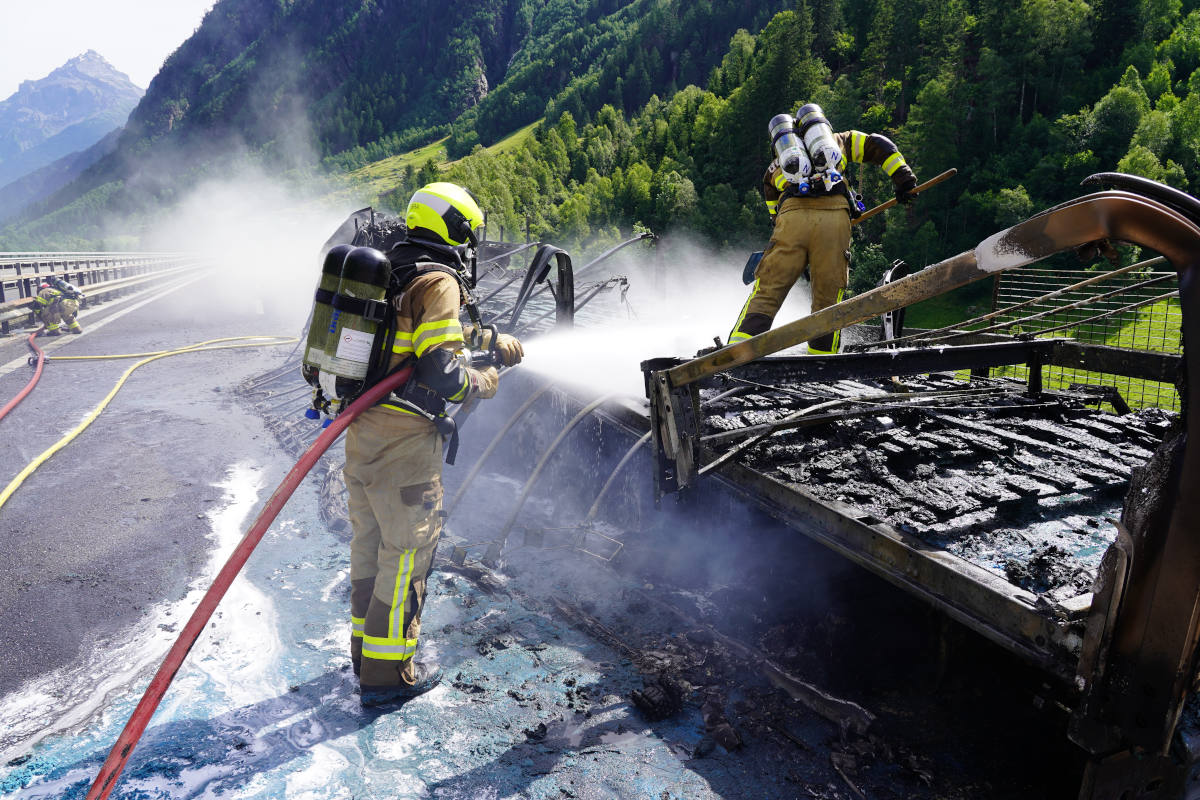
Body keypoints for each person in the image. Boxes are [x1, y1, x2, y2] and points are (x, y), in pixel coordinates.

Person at [343, 182, 524, 705]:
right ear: (457, 228)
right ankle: (386, 675)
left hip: (364, 432)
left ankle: (364, 653)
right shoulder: (439, 280)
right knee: (406, 555)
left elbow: (416, 337)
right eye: (470, 232)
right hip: (404, 443)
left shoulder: (394, 270)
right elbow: (440, 371)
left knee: (370, 548)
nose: (471, 244)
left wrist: (490, 342)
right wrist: (484, 382)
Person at [728, 103, 918, 354]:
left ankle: (737, 352)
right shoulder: (841, 141)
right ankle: (821, 360)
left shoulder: (776, 168)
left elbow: (776, 217)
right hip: (833, 220)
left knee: (767, 292)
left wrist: (798, 253)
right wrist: (903, 178)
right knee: (828, 299)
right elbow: (880, 145)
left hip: (791, 221)